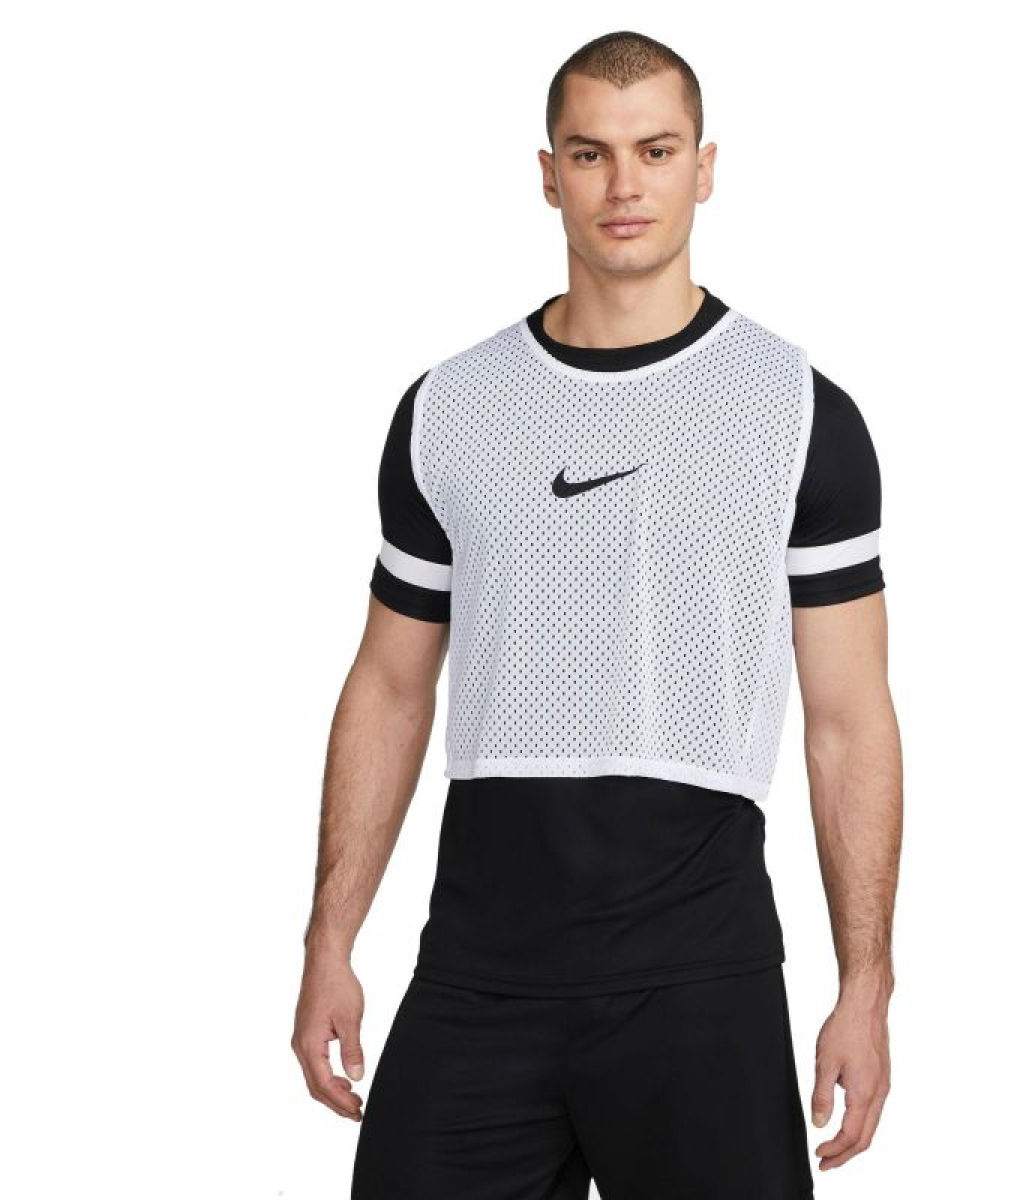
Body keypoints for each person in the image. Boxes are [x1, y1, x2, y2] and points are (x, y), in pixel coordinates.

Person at [292, 29, 903, 1199]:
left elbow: (849, 721)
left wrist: (865, 985)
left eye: (656, 151)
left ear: (704, 169)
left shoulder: (797, 413)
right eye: (591, 154)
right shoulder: (451, 408)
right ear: (548, 174)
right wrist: (330, 939)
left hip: (700, 975)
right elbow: (388, 686)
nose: (625, 185)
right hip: (478, 968)